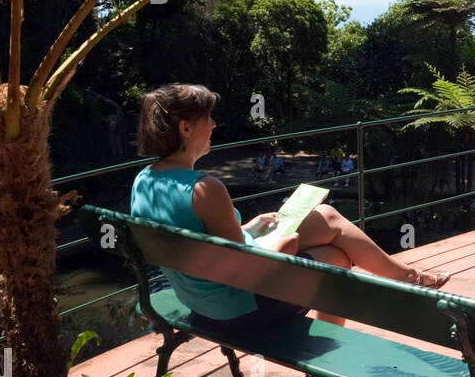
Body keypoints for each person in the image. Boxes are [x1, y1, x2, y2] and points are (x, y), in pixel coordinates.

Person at [130, 84, 449, 331]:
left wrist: (250, 228)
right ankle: (406, 279)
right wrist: (281, 247)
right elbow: (246, 270)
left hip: (201, 298)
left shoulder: (144, 181)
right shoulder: (204, 189)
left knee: (326, 219)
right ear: (186, 129)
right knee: (335, 259)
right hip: (238, 308)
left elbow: (205, 244)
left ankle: (406, 277)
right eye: (207, 119)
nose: (214, 124)